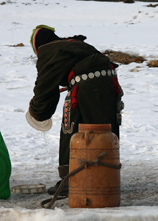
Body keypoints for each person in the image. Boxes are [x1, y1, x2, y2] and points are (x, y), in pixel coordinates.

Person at [26, 25, 123, 196]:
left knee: (73, 130)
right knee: (105, 129)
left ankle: (71, 181)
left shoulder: (49, 52)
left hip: (86, 88)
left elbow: (44, 89)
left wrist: (37, 112)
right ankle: (107, 177)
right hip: (110, 83)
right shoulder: (73, 45)